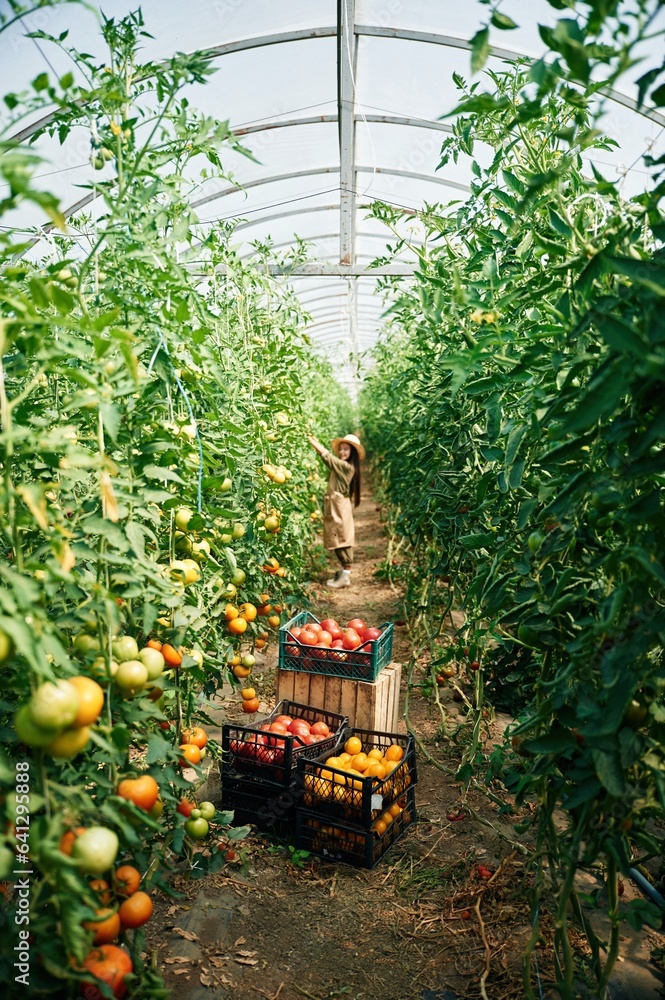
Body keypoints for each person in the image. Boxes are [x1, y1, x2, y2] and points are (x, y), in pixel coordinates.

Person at [307, 432, 365, 588]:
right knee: (337, 537)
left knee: (342, 539)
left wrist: (312, 441)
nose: (342, 452)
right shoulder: (343, 465)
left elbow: (327, 457)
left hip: (339, 505)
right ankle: (343, 574)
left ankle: (345, 576)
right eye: (341, 449)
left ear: (352, 452)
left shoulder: (347, 467)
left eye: (346, 449)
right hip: (335, 504)